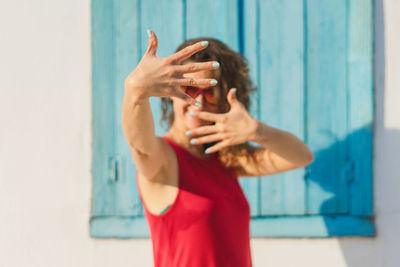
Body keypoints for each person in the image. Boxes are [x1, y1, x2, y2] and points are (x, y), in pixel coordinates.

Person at [122, 29, 314, 267]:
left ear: (223, 98)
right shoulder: (164, 158)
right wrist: (135, 92)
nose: (198, 101)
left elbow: (301, 156)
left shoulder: (225, 159)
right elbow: (140, 148)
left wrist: (258, 132)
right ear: (170, 92)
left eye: (209, 91)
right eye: (190, 89)